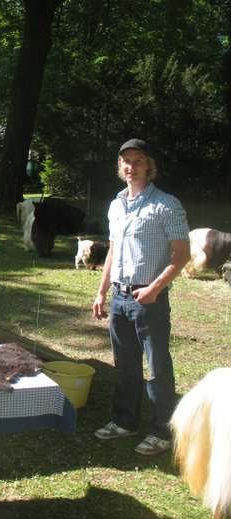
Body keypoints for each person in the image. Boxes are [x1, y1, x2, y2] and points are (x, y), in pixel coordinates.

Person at [92, 138, 190, 456]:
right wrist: (102, 291)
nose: (130, 166)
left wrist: (154, 289)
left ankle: (163, 430)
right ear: (120, 167)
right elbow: (114, 252)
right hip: (120, 299)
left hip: (150, 299)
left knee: (157, 367)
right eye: (125, 162)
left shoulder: (166, 204)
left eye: (137, 161)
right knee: (126, 365)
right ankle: (125, 421)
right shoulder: (116, 205)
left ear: (148, 165)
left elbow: (182, 255)